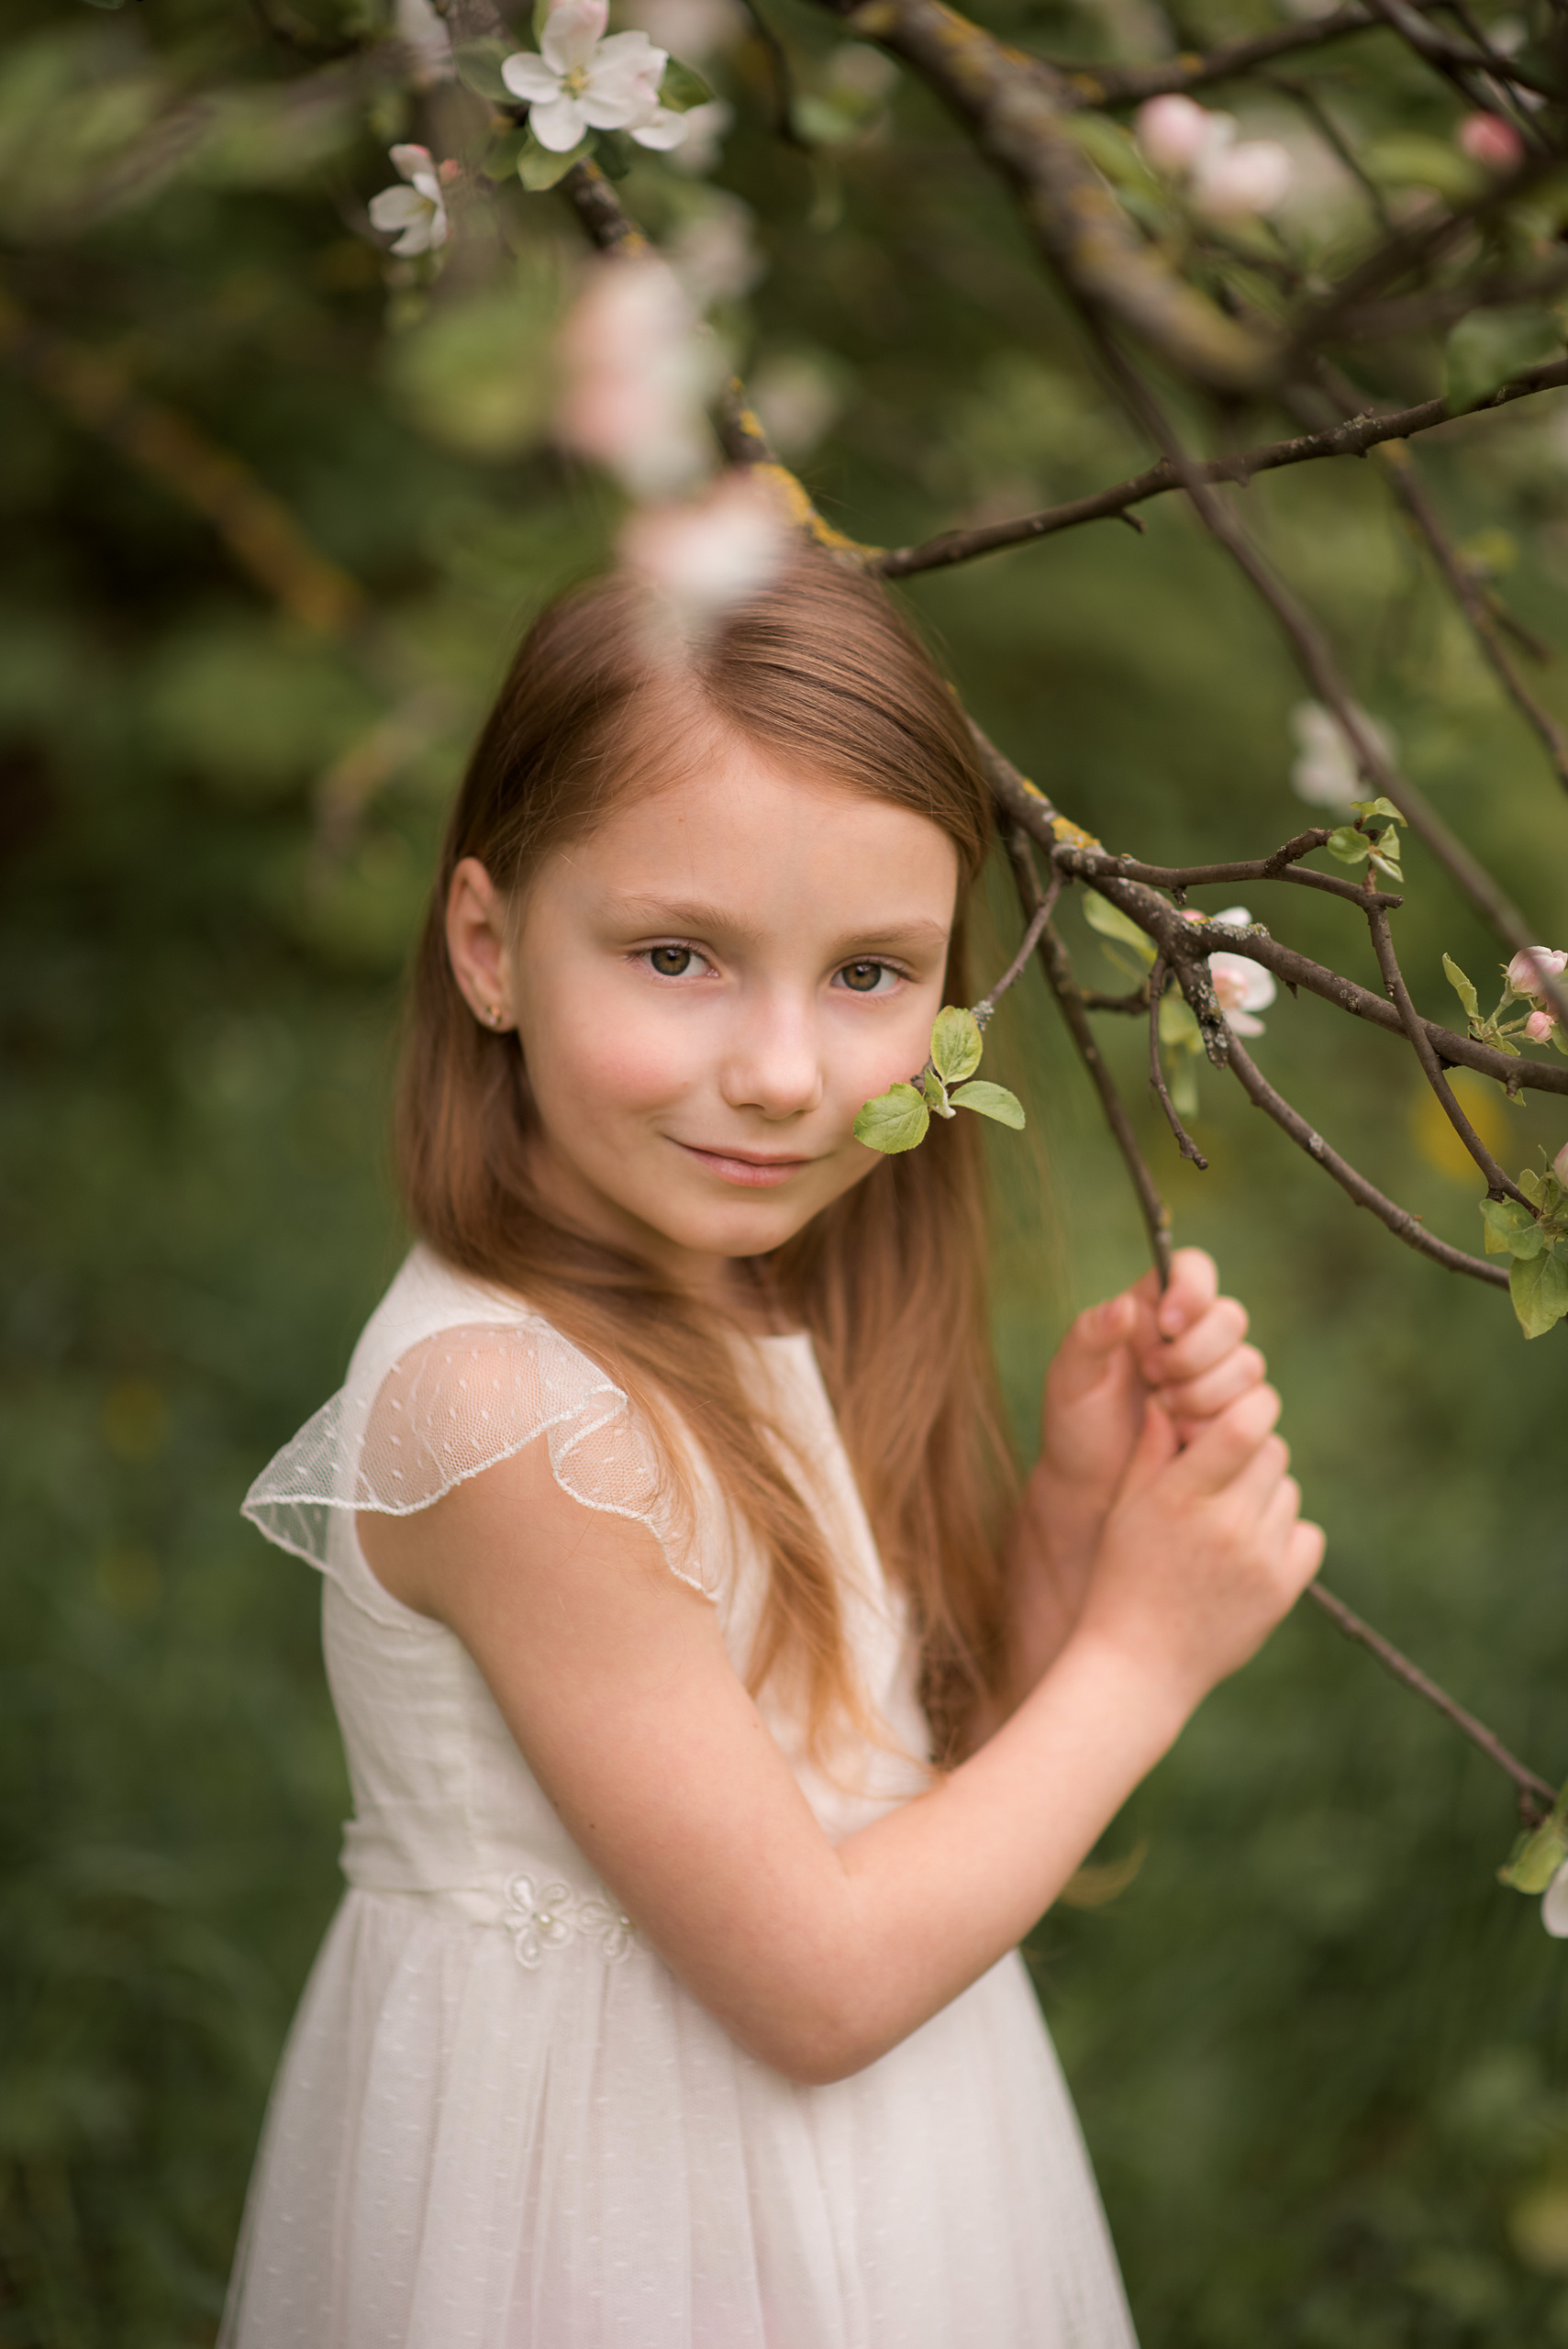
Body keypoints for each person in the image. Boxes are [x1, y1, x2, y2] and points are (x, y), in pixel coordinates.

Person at [224, 548, 1323, 2347]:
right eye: (679, 956)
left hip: (886, 2182)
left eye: (870, 972)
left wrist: (1070, 1529)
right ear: (489, 946)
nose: (785, 1073)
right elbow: (817, 1982)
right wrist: (1147, 1652)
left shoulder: (760, 1294)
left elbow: (903, 1806)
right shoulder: (506, 1412)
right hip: (603, 2216)